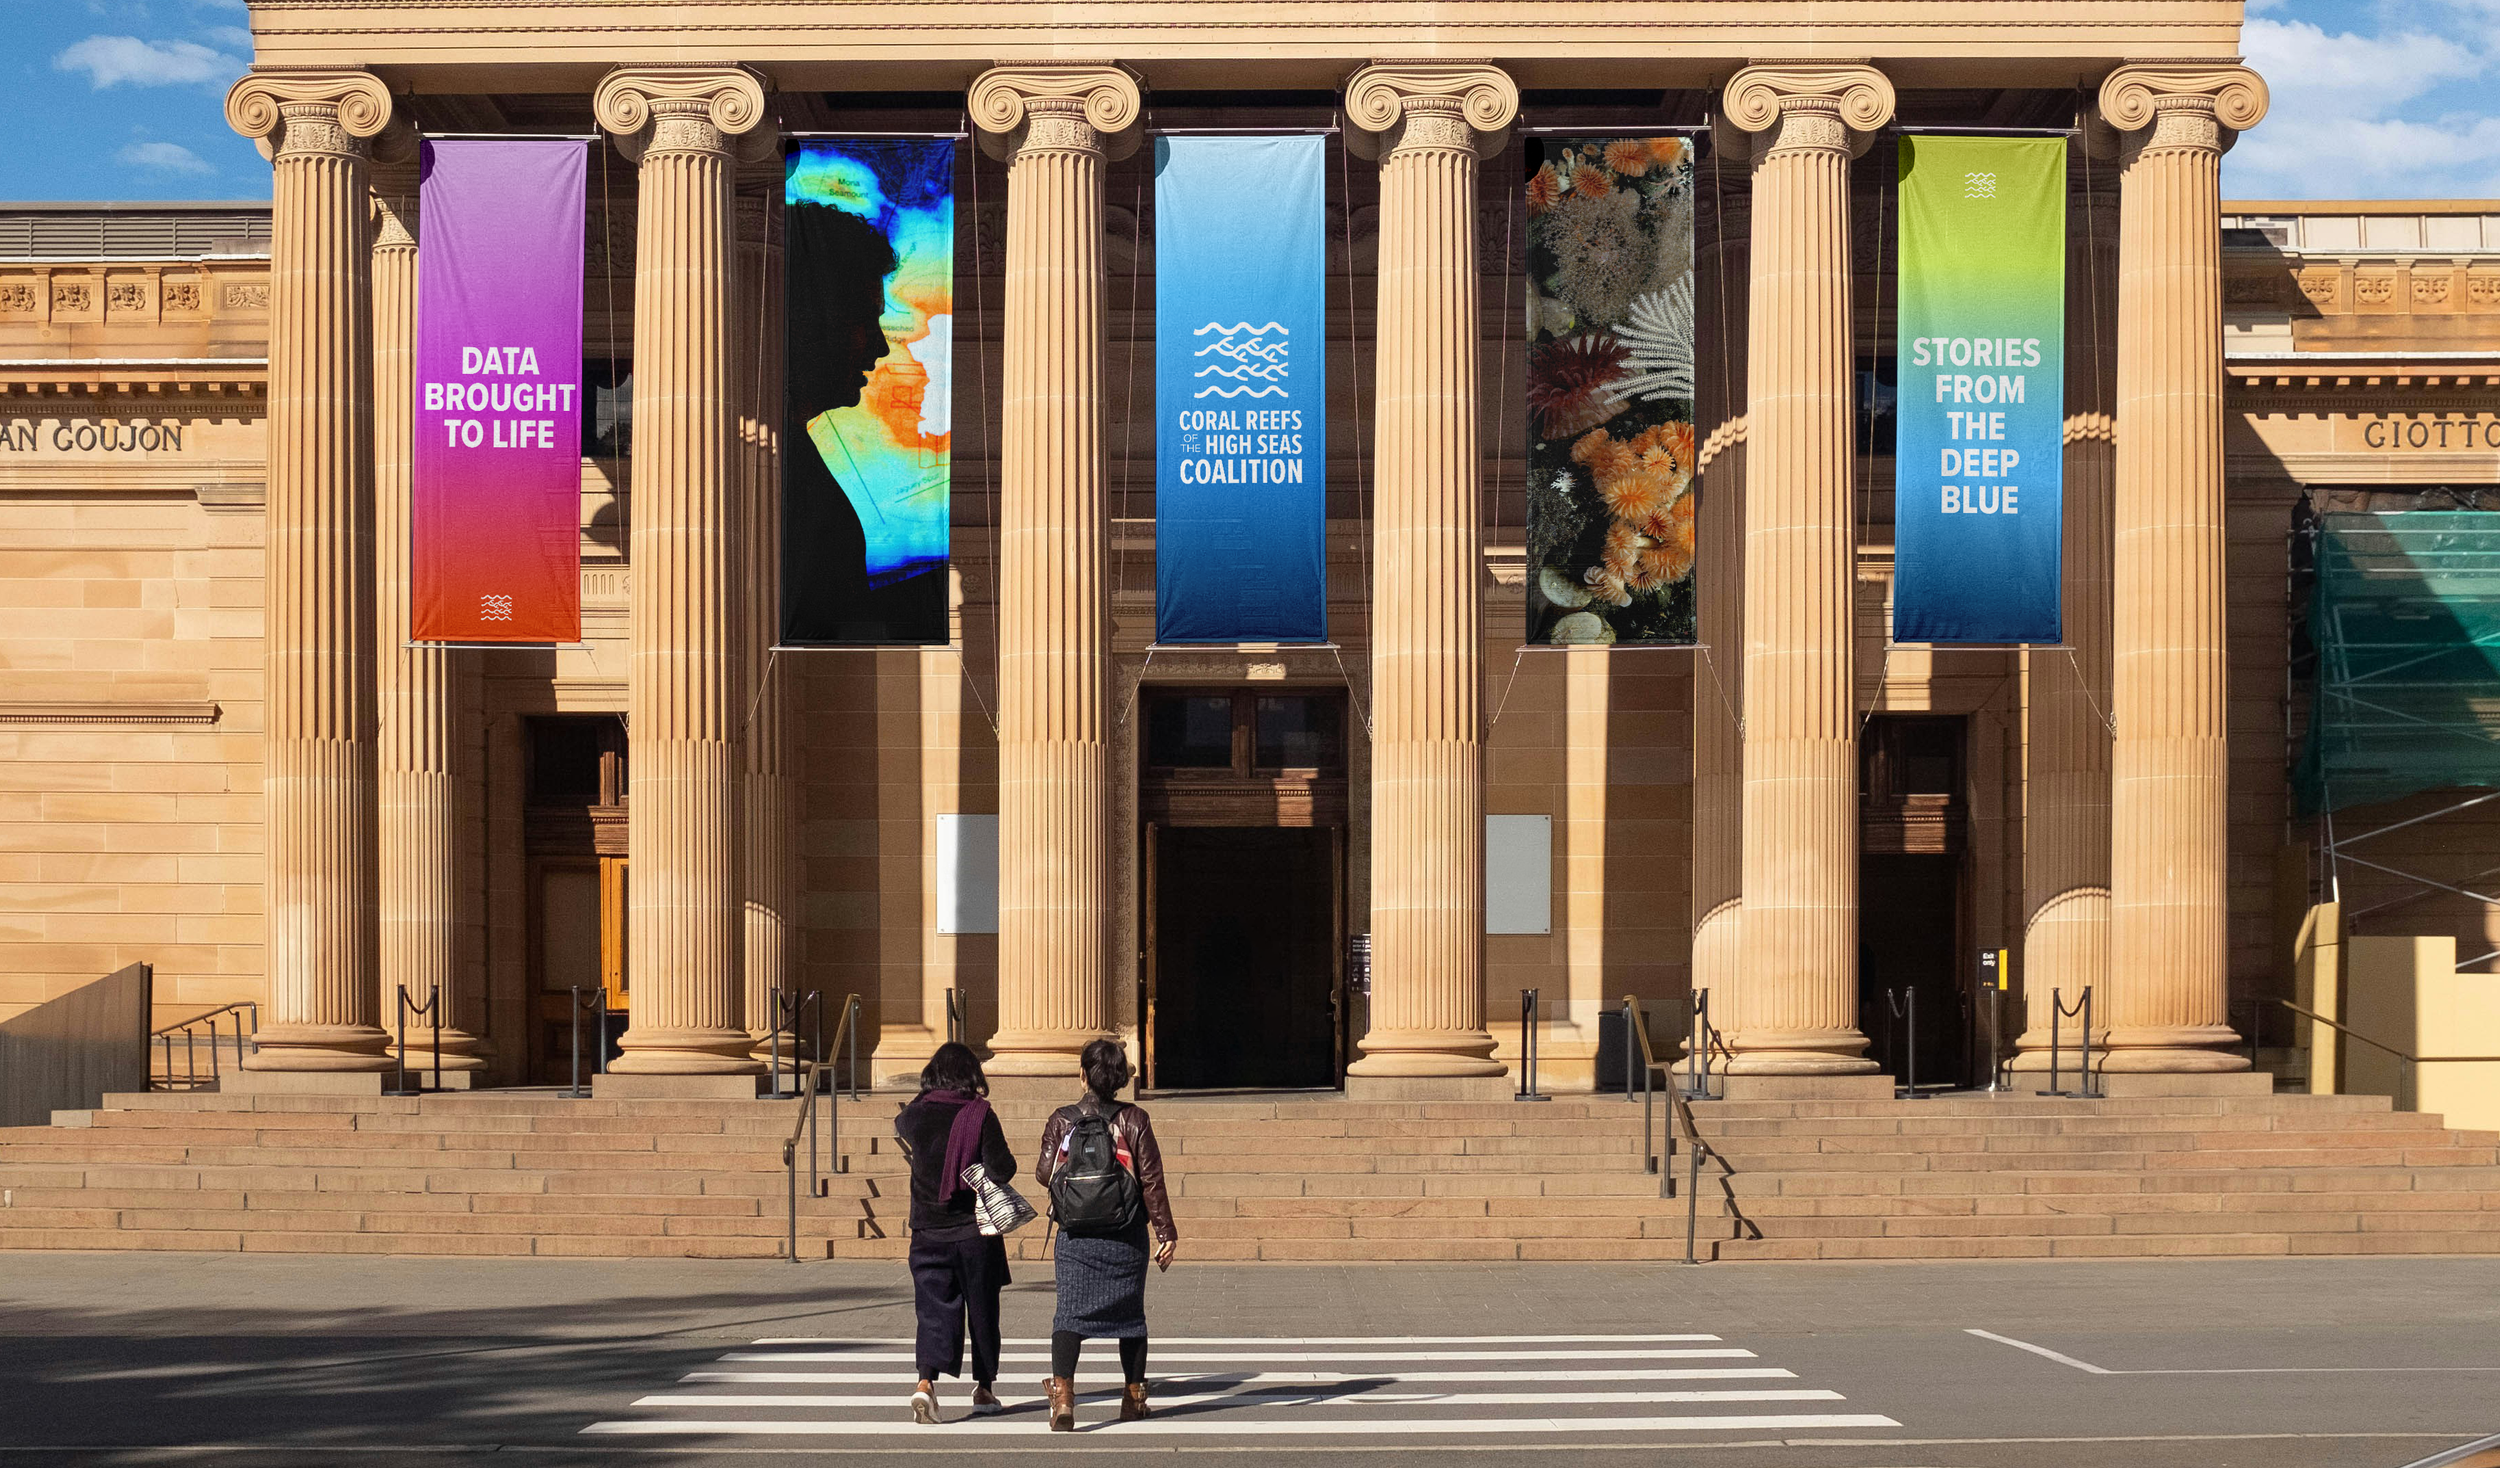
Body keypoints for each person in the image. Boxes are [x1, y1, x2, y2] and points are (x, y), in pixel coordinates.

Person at [1034, 1038, 1177, 1430]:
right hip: (1127, 1234)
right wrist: (1165, 1231)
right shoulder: (1135, 1119)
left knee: (1069, 1316)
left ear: (1082, 1074)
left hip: (1077, 1237)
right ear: (1119, 1079)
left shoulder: (1063, 1118)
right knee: (1131, 1319)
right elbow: (1151, 1179)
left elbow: (1044, 1174)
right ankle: (1133, 1400)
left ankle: (1063, 1397)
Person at [894, 1041, 1016, 1425]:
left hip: (927, 1230)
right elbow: (1003, 1169)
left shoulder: (915, 1116)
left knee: (932, 1310)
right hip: (974, 1232)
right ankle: (983, 1389)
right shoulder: (980, 1114)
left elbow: (903, 1121)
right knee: (982, 1310)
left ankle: (925, 1383)